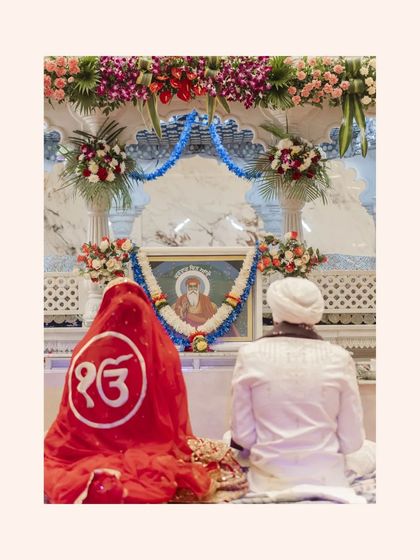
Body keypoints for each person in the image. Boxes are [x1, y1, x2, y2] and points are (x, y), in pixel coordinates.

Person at [44, 277, 247, 504]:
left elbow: (71, 412)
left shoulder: (85, 349)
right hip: (146, 445)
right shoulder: (162, 352)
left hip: (85, 443)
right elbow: (172, 406)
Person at [230, 277, 375, 503]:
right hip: (328, 478)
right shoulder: (339, 357)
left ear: (275, 312)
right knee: (370, 449)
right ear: (316, 313)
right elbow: (351, 441)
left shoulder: (250, 354)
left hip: (269, 479)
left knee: (226, 441)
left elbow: (243, 437)